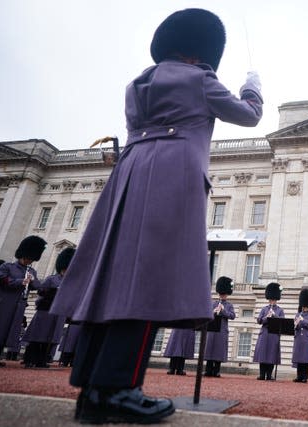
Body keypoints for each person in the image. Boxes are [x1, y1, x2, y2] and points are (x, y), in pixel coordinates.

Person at [49, 8, 263, 424]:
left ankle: (91, 389)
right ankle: (119, 389)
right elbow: (248, 114)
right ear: (199, 51)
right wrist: (253, 87)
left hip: (130, 172)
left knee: (115, 278)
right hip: (172, 173)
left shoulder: (138, 83)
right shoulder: (200, 78)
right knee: (149, 279)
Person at [22, 248, 75, 368]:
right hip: (46, 311)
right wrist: (53, 292)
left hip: (60, 312)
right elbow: (40, 291)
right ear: (61, 268)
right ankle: (30, 359)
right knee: (39, 336)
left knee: (52, 338)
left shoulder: (71, 282)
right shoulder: (51, 279)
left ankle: (42, 360)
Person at [0, 236, 46, 366]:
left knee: (9, 332)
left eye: (31, 259)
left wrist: (33, 280)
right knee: (0, 329)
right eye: (27, 258)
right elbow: (2, 280)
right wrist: (20, 281)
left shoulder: (31, 271)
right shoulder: (7, 266)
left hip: (20, 305)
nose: (29, 261)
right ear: (21, 255)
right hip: (5, 303)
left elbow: (37, 287)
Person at [204, 276, 236, 377]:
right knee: (210, 349)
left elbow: (232, 316)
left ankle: (216, 371)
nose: (223, 296)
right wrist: (213, 312)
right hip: (212, 329)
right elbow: (206, 315)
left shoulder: (229, 305)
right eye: (222, 294)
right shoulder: (213, 303)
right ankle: (208, 370)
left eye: (224, 294)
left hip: (222, 329)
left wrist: (223, 310)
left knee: (218, 350)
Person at [254, 282, 284, 381]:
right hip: (264, 333)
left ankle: (269, 374)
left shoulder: (280, 310)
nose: (272, 301)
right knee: (263, 354)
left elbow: (282, 322)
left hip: (274, 334)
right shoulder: (264, 309)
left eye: (274, 300)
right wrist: (267, 317)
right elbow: (259, 320)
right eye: (271, 299)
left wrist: (274, 316)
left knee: (271, 355)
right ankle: (262, 374)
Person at [292, 288, 308, 383]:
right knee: (299, 358)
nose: (304, 307)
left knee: (305, 359)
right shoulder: (298, 314)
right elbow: (294, 327)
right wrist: (296, 323)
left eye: (306, 306)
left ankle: (305, 377)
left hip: (307, 338)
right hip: (299, 338)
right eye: (303, 306)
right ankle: (299, 376)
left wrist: (303, 320)